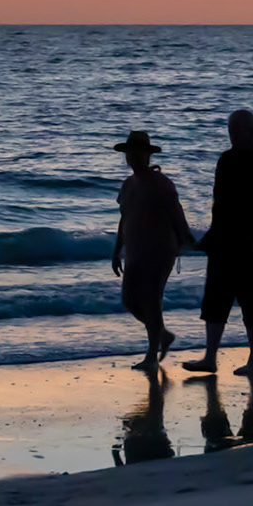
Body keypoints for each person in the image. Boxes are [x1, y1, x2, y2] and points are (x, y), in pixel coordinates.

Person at [182, 110, 253, 376]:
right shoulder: (225, 160)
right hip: (224, 240)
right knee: (215, 300)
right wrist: (209, 237)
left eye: (236, 130)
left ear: (251, 131)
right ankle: (210, 357)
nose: (231, 135)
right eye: (230, 130)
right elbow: (219, 203)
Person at [109, 129, 193, 369]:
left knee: (151, 301)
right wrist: (117, 251)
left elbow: (178, 215)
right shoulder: (128, 185)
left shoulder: (161, 184)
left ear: (148, 155)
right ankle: (163, 336)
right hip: (135, 251)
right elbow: (124, 220)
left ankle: (151, 356)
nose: (133, 157)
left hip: (160, 250)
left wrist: (188, 241)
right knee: (129, 301)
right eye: (130, 153)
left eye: (139, 152)